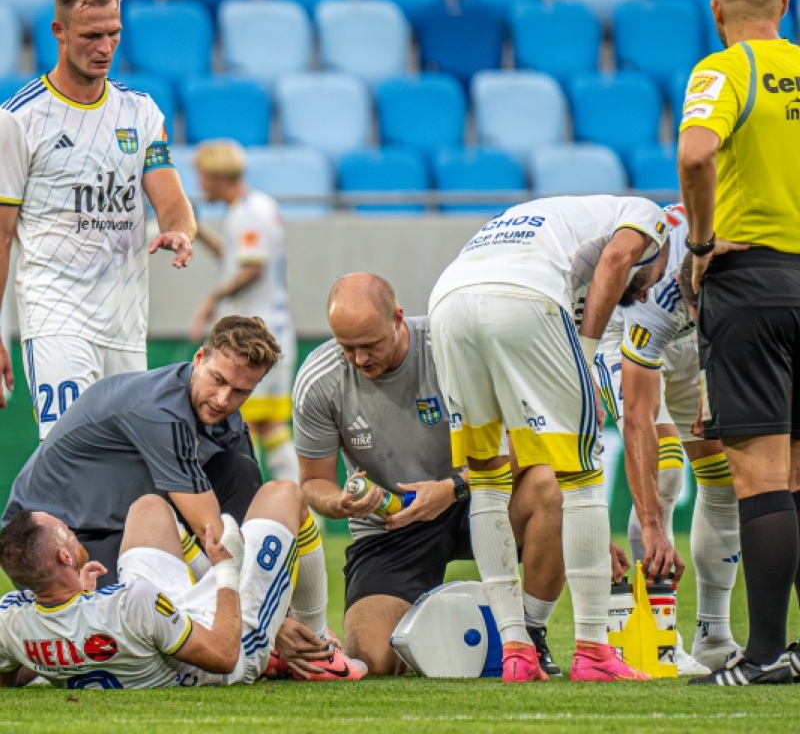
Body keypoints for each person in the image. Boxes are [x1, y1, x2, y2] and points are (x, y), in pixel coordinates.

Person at [428, 194, 671, 683]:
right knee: (582, 473)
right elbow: (619, 260)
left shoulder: (542, 216)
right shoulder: (649, 213)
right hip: (524, 296)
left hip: (446, 302)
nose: (645, 294)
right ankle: (593, 650)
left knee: (488, 477)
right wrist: (582, 350)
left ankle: (516, 648)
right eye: (654, 278)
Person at [293, 273, 566, 677]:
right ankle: (428, 618)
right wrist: (340, 503)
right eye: (347, 347)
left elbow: (526, 445)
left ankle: (530, 635)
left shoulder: (451, 349)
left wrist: (452, 487)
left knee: (547, 486)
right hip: (391, 527)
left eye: (371, 345)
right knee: (374, 661)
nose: (360, 359)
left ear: (399, 318)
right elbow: (314, 482)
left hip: (480, 495)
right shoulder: (319, 380)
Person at [0, 0, 196, 437]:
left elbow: (169, 195)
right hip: (55, 316)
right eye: (91, 35)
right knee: (69, 452)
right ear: (59, 31)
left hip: (126, 324)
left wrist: (180, 229)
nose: (105, 47)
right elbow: (2, 235)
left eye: (114, 34)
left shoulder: (142, 113)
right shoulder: (18, 121)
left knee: (126, 468)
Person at [678, 0, 800, 686]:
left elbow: (697, 154)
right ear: (785, 7)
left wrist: (697, 241)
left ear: (717, 11)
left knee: (761, 479)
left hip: (752, 280)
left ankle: (762, 656)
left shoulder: (723, 70)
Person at [0, 481, 365, 689]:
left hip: (158, 627)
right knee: (284, 494)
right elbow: (224, 657)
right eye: (63, 530)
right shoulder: (134, 603)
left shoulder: (11, 620)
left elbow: (13, 674)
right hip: (223, 640)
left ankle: (225, 580)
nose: (69, 528)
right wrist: (225, 571)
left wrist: (77, 613)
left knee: (148, 507)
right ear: (65, 557)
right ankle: (319, 650)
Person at [2, 316, 276, 586]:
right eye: (218, 379)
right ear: (199, 358)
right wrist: (254, 602)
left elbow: (252, 524)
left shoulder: (228, 420)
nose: (223, 399)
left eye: (240, 392)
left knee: (240, 471)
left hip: (121, 526)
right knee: (136, 618)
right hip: (50, 538)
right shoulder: (159, 410)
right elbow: (213, 531)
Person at [594, 203, 741, 673]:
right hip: (627, 334)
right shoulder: (656, 293)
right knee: (666, 472)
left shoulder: (750, 233)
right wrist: (655, 524)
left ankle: (714, 636)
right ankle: (658, 637)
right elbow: (638, 417)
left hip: (695, 341)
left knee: (723, 484)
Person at [190, 140, 298, 484]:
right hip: (263, 329)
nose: (200, 184)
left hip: (260, 333)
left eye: (202, 176)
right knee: (266, 424)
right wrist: (198, 232)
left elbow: (252, 268)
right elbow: (235, 258)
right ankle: (293, 500)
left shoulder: (252, 211)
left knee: (248, 421)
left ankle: (284, 501)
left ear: (216, 174)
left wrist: (211, 298)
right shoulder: (246, 209)